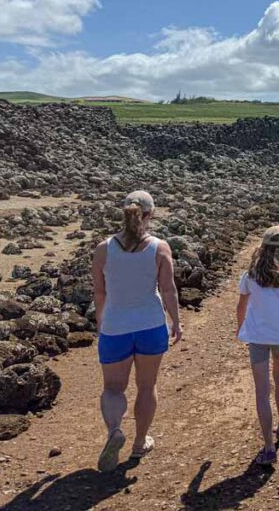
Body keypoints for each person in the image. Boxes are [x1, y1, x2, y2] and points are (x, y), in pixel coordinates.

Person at [91, 190, 182, 472]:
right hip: (150, 325)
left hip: (115, 326)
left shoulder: (104, 249)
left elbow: (99, 291)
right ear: (150, 214)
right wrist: (176, 322)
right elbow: (168, 289)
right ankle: (140, 441)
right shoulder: (159, 247)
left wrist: (101, 322)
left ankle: (115, 430)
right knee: (146, 386)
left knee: (113, 388)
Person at [236, 225, 279, 466]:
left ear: (262, 248)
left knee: (262, 391)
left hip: (257, 337)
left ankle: (268, 446)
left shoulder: (250, 275)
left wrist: (240, 327)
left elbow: (241, 307)